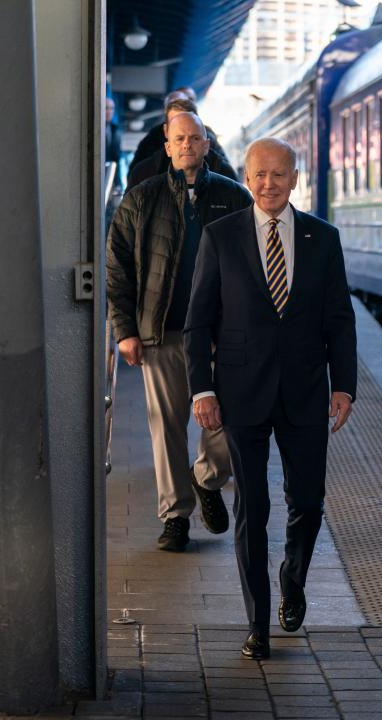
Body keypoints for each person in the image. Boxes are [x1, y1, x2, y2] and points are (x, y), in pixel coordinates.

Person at [183, 138, 357, 660]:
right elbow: (198, 322)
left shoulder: (322, 239)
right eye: (259, 175)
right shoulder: (221, 236)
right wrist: (202, 389)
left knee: (307, 503)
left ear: (295, 178)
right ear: (246, 176)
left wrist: (344, 385)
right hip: (240, 393)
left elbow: (339, 320)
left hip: (305, 392)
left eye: (279, 174)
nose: (268, 184)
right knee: (251, 509)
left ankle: (293, 579)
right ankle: (258, 622)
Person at [106, 112, 253, 552]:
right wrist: (125, 330)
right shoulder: (140, 199)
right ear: (166, 147)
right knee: (165, 426)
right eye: (178, 139)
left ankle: (207, 477)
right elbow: (117, 269)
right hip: (163, 331)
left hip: (221, 334)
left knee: (228, 418)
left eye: (195, 138)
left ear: (207, 145)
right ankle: (175, 518)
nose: (187, 145)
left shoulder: (234, 197)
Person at [127, 98, 237, 189]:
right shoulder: (143, 174)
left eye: (189, 122)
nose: (186, 144)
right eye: (176, 123)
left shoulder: (224, 172)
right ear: (166, 130)